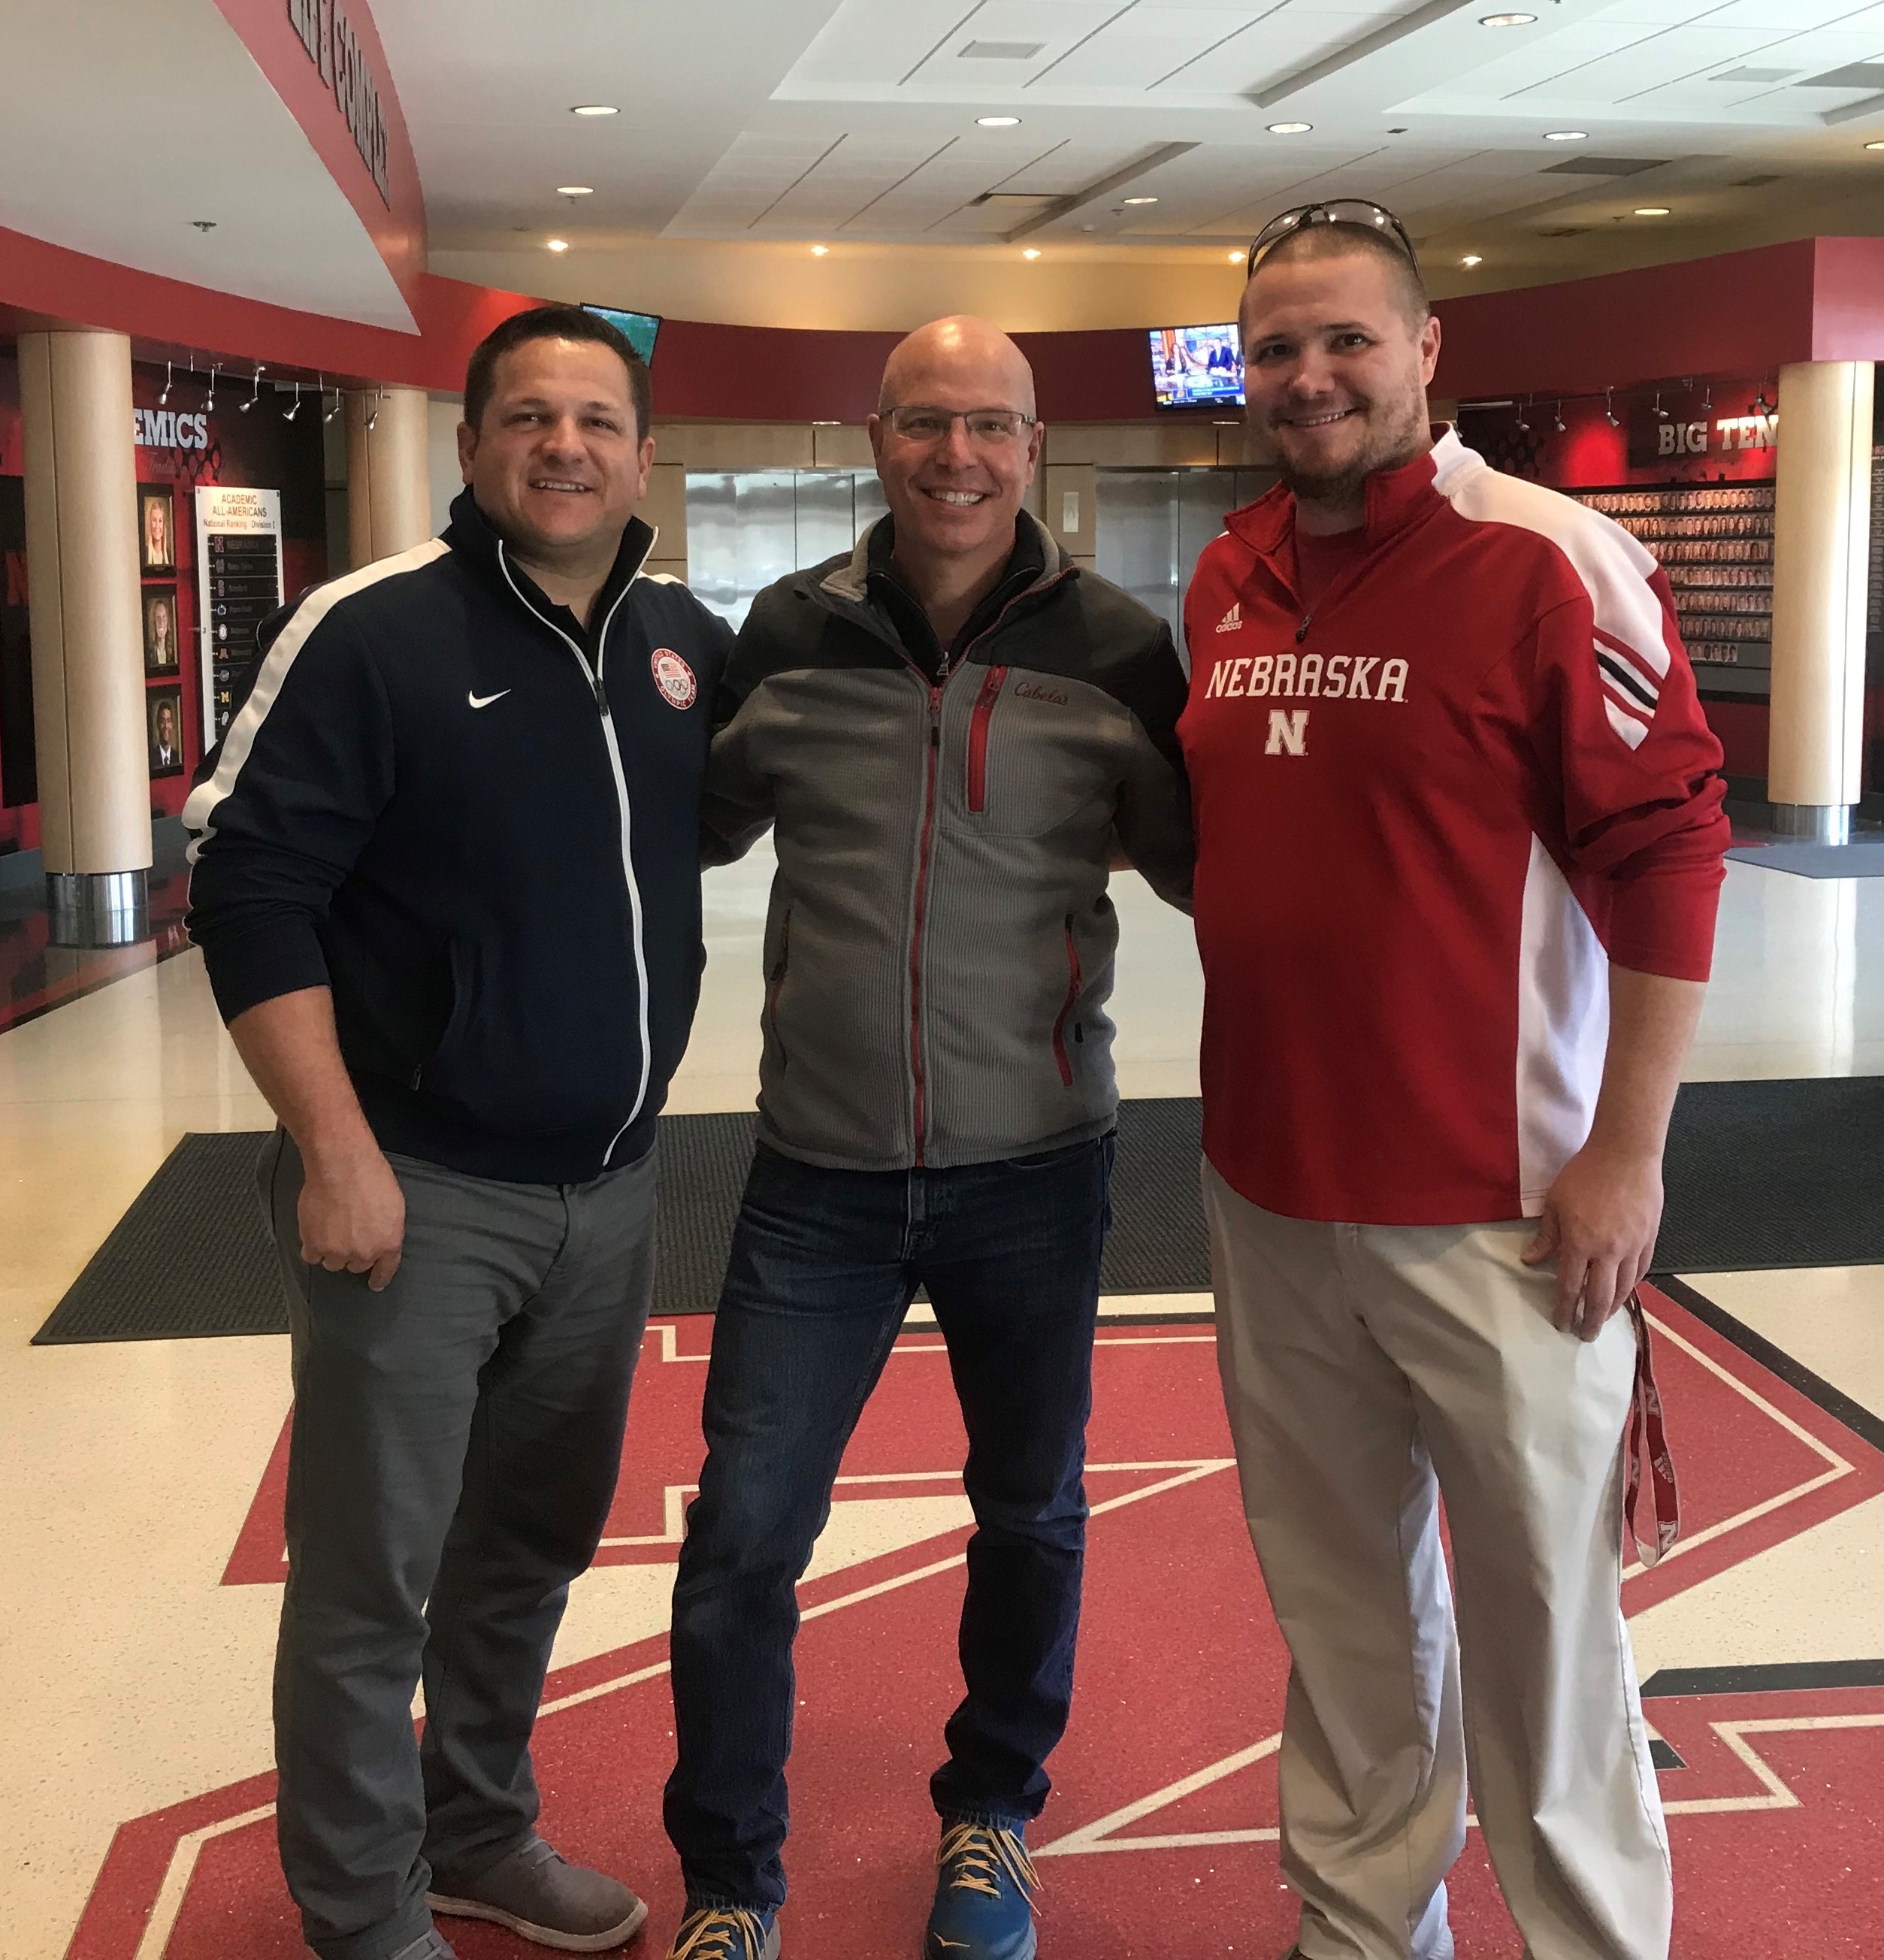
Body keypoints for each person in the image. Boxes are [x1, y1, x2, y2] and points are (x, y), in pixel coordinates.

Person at [1180, 201, 1729, 1960]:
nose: (1312, 375)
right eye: (1277, 348)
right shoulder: (1229, 568)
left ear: (1429, 352)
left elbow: (1668, 854)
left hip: (1502, 1212)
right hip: (1271, 1196)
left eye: (1348, 339)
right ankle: (1362, 1927)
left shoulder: (1549, 560)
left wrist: (1625, 1153)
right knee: (1344, 1624)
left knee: (1550, 1636)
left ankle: (1590, 1938)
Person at [184, 304, 731, 1960]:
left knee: (529, 1545)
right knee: (373, 1573)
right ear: (470, 444)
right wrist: (336, 1149)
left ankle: (476, 1832)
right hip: (412, 1186)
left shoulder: (683, 641)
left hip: (609, 1190)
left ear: (643, 452)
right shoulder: (372, 631)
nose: (563, 443)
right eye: (527, 416)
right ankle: (363, 1916)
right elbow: (249, 886)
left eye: (595, 417)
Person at [664, 316, 1194, 1960]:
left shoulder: (1116, 649)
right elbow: (676, 820)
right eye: (921, 425)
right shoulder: (787, 633)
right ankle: (730, 1883)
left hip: (1034, 1163)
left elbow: (1212, 870)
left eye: (987, 425)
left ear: (1035, 449)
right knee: (745, 1526)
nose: (953, 455)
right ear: (873, 441)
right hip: (814, 1172)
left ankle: (989, 1813)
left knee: (1029, 1506)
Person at [151, 699, 180, 770]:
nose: (166, 726)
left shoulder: (178, 757)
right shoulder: (152, 757)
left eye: (168, 721)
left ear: (172, 725)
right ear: (158, 725)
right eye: (162, 721)